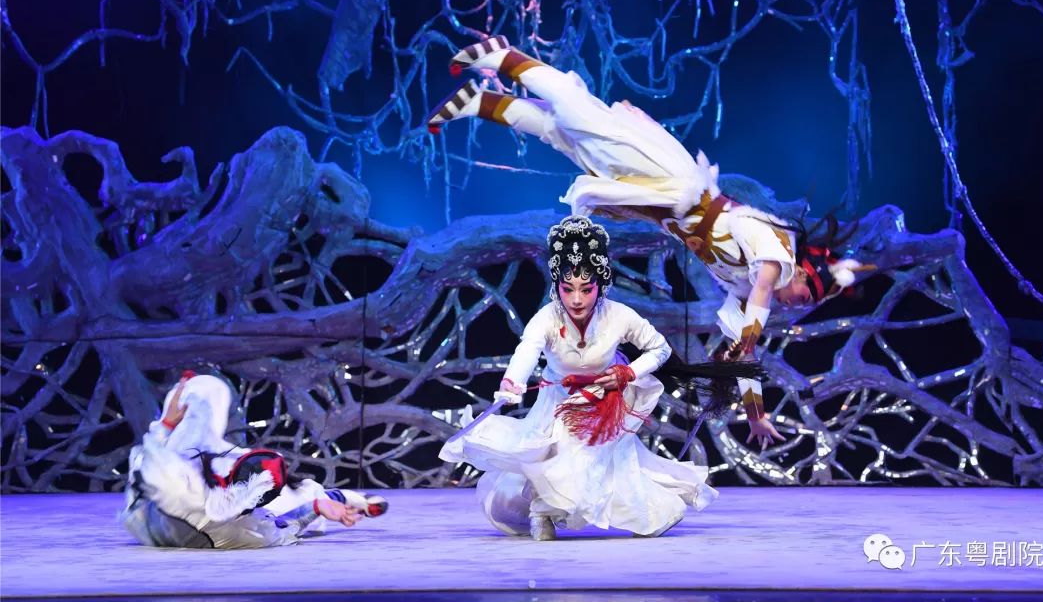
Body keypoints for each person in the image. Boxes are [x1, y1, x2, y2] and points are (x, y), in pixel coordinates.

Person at [428, 37, 872, 448]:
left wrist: (756, 415)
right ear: (804, 273)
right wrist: (751, 336)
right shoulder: (774, 246)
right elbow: (762, 296)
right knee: (580, 116)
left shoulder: (744, 289)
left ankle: (480, 102)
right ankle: (502, 55)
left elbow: (745, 359)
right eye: (804, 296)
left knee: (568, 141)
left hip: (656, 204)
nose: (795, 305)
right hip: (673, 180)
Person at [440, 215, 717, 540]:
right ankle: (541, 512)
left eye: (586, 289)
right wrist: (512, 381)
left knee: (605, 465)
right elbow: (527, 349)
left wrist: (628, 372)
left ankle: (643, 514)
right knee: (554, 458)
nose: (576, 299)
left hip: (604, 402)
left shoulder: (619, 315)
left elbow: (660, 349)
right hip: (559, 402)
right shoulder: (547, 317)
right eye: (567, 288)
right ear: (556, 286)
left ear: (601, 285)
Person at [121, 372, 388, 549]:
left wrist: (167, 423)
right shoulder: (248, 532)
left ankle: (344, 498)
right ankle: (346, 498)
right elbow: (285, 527)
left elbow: (145, 463)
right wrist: (316, 506)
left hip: (147, 521)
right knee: (301, 495)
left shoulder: (178, 483)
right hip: (173, 518)